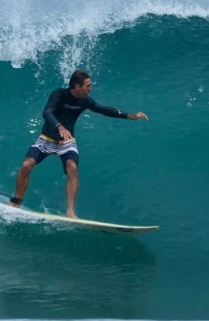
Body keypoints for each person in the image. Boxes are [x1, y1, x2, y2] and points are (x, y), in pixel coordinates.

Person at [8, 69, 149, 218]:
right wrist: (59, 126)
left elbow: (103, 109)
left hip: (67, 142)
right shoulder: (59, 95)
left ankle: (70, 211)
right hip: (47, 138)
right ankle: (16, 201)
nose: (90, 89)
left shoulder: (85, 101)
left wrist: (129, 116)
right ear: (77, 87)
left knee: (72, 167)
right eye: (88, 86)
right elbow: (47, 112)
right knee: (27, 165)